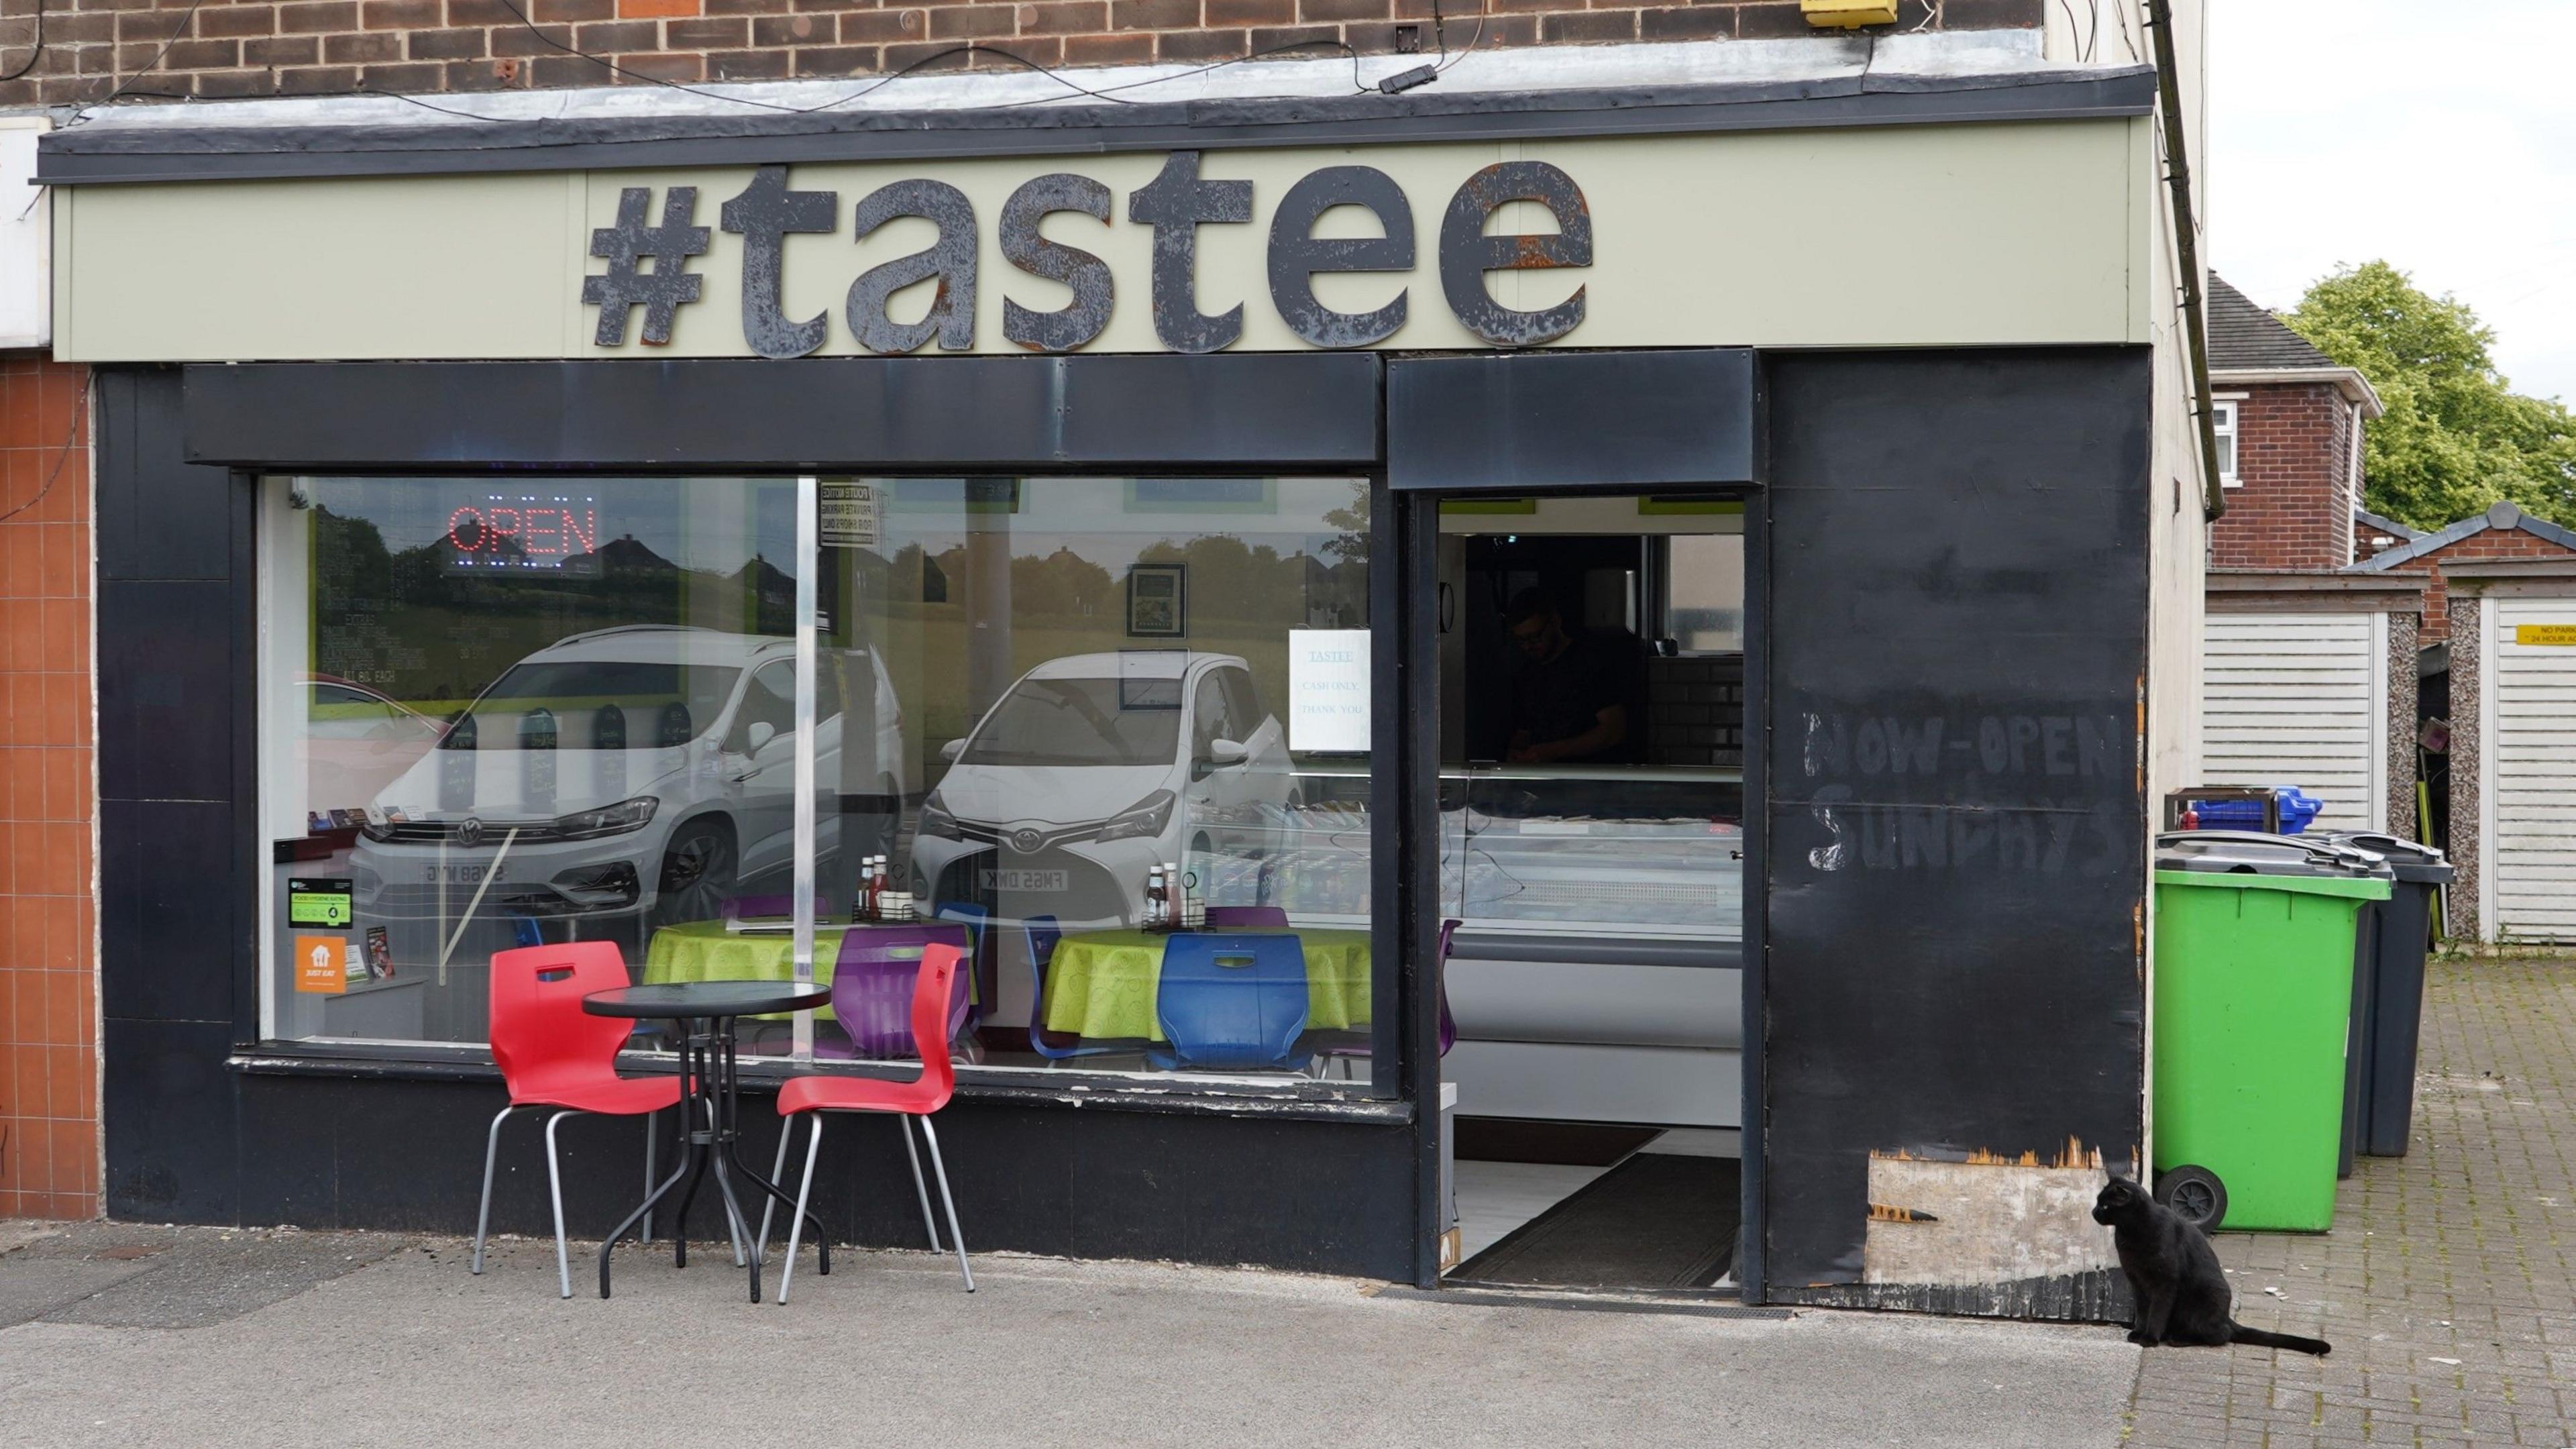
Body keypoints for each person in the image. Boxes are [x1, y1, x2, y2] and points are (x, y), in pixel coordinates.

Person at [1501, 587, 1640, 765]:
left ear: (1555, 621)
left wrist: (1552, 751)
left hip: (1590, 781)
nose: (1528, 647)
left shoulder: (1591, 663)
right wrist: (1516, 752)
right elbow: (1525, 731)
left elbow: (1614, 730)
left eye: (1535, 637)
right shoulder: (1526, 673)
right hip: (1543, 783)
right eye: (1521, 640)